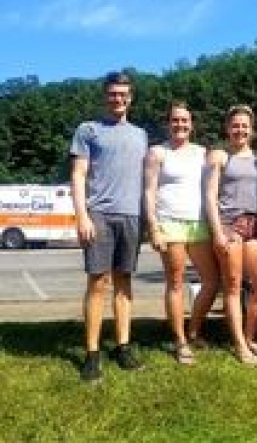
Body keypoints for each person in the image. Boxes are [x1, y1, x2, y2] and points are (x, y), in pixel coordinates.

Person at [70, 71, 148, 382]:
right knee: (98, 283)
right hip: (99, 214)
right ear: (105, 96)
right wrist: (82, 215)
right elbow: (78, 175)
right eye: (113, 93)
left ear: (130, 98)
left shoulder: (141, 135)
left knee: (124, 281)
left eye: (123, 94)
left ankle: (123, 346)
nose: (118, 99)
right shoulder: (88, 130)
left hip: (132, 215)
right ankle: (92, 354)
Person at [143, 100, 220, 365]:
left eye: (184, 120)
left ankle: (194, 330)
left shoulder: (202, 152)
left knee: (212, 281)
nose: (180, 125)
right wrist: (153, 227)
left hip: (199, 223)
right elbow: (149, 191)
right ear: (168, 124)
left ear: (192, 124)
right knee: (175, 282)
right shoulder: (158, 153)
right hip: (170, 223)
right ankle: (180, 341)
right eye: (175, 120)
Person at [205, 104, 257, 365]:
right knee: (233, 286)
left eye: (244, 126)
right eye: (235, 125)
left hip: (255, 227)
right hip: (230, 226)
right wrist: (218, 232)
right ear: (227, 129)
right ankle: (239, 344)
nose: (240, 130)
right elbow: (210, 196)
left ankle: (249, 338)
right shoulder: (221, 157)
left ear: (252, 130)